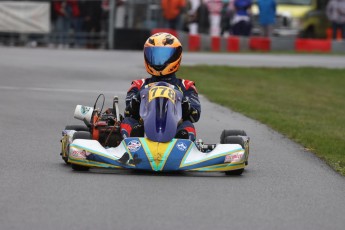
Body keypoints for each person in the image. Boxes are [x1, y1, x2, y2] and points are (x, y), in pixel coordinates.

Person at [120, 32, 201, 141]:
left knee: (187, 125)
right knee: (128, 122)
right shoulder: (138, 85)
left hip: (174, 130)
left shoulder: (186, 86)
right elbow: (128, 113)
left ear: (176, 56)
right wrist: (137, 99)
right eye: (154, 55)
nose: (159, 61)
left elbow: (194, 116)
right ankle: (131, 144)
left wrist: (185, 104)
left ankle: (183, 145)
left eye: (164, 56)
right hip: (143, 130)